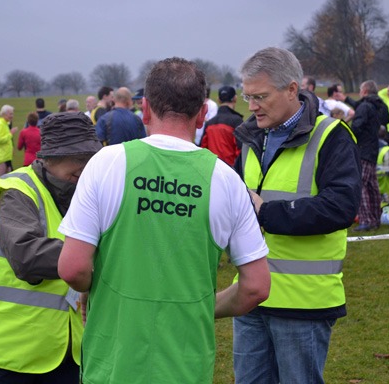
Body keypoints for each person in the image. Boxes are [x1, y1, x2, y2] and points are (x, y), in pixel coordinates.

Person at [57, 57, 270, 384]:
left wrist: (96, 289)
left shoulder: (107, 163)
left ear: (144, 110)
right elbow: (256, 287)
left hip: (113, 365)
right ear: (201, 115)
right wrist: (202, 307)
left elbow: (72, 268)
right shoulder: (226, 180)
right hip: (186, 366)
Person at [233, 47, 361, 384]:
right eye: (247, 97)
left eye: (260, 96)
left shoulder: (330, 137)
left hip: (302, 304)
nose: (252, 106)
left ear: (292, 89)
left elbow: (341, 207)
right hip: (250, 296)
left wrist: (267, 212)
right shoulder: (250, 137)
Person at [0, 112, 102, 383]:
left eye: (90, 157)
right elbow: (26, 256)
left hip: (67, 352)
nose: (85, 166)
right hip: (7, 355)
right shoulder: (17, 191)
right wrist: (93, 258)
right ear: (48, 158)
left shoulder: (88, 193)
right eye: (76, 157)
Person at [351, 80, 389, 232]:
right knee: (372, 186)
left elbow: (357, 127)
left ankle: (366, 220)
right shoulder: (376, 105)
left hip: (363, 150)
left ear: (365, 91)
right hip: (373, 149)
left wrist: (349, 136)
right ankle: (375, 218)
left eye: (360, 90)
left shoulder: (364, 106)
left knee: (361, 185)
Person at [200, 85, 244, 166]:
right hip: (232, 171)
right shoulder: (237, 121)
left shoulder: (209, 123)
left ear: (218, 100)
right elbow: (241, 151)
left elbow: (203, 149)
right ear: (235, 98)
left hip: (212, 169)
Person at [0, 104, 18, 178]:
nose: (12, 116)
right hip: (2, 158)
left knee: (8, 178)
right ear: (4, 114)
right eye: (10, 114)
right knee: (1, 179)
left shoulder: (5, 123)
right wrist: (11, 134)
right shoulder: (0, 124)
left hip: (6, 157)